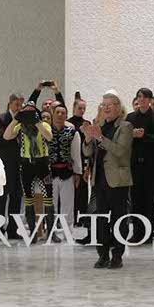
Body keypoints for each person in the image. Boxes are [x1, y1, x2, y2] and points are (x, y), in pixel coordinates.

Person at [82, 91, 133, 269]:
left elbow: (120, 151)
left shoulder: (126, 126)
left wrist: (100, 138)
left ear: (118, 107)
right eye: (103, 105)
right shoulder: (99, 125)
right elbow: (88, 152)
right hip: (99, 179)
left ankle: (117, 256)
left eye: (109, 105)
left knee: (119, 219)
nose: (105, 108)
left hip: (118, 180)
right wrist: (88, 139)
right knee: (100, 219)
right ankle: (102, 255)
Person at [3, 101, 55, 243]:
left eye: (32, 112)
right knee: (28, 199)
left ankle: (50, 233)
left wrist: (37, 121)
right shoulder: (20, 127)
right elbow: (6, 136)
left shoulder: (44, 125)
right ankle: (33, 233)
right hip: (26, 165)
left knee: (48, 198)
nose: (29, 115)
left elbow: (49, 137)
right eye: (26, 112)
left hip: (43, 164)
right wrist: (16, 119)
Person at [126, 88, 154, 244]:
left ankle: (148, 234)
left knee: (149, 200)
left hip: (151, 165)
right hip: (135, 164)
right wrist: (132, 135)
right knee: (135, 200)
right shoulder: (130, 117)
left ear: (150, 100)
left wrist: (144, 136)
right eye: (139, 97)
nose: (141, 99)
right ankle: (137, 232)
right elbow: (125, 139)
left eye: (144, 97)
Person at [49, 104, 82, 239]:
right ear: (53, 114)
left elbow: (76, 155)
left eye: (63, 113)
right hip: (49, 173)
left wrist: (78, 173)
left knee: (67, 204)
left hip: (67, 172)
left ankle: (68, 231)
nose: (60, 115)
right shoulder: (46, 131)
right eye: (57, 112)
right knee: (51, 204)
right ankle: (51, 231)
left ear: (66, 116)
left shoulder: (72, 133)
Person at [0, 93, 24, 240]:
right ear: (10, 103)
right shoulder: (1, 119)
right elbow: (3, 140)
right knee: (1, 198)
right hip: (4, 164)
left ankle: (13, 229)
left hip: (19, 163)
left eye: (21, 105)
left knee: (16, 197)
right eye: (17, 104)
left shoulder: (24, 120)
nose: (19, 108)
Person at [69, 95, 90, 228]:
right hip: (71, 160)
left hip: (84, 159)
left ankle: (82, 217)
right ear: (74, 108)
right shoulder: (68, 123)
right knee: (72, 191)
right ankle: (71, 217)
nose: (82, 111)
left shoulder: (87, 123)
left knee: (83, 190)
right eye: (80, 108)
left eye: (84, 108)